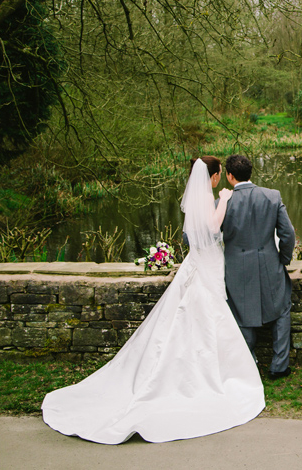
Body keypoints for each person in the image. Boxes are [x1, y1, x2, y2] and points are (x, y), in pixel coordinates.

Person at [41, 157, 265, 444]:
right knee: (208, 313)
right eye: (219, 174)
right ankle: (209, 377)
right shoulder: (212, 197)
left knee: (195, 316)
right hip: (207, 265)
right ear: (215, 175)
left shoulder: (197, 198)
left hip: (199, 264)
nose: (221, 179)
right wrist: (223, 200)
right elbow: (211, 229)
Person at [222, 154, 296, 380]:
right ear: (250, 173)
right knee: (282, 309)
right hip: (269, 263)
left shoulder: (223, 203)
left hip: (236, 269)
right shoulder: (272, 196)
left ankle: (249, 362)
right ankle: (279, 366)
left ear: (229, 175)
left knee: (241, 314)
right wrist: (283, 258)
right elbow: (288, 234)